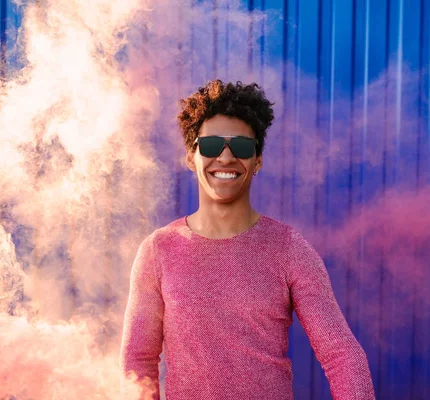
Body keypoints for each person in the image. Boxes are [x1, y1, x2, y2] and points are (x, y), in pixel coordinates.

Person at [119, 80, 375, 399]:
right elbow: (138, 364)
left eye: (241, 147)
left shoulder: (289, 248)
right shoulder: (158, 250)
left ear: (258, 160)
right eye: (211, 146)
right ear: (191, 156)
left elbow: (343, 357)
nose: (225, 158)